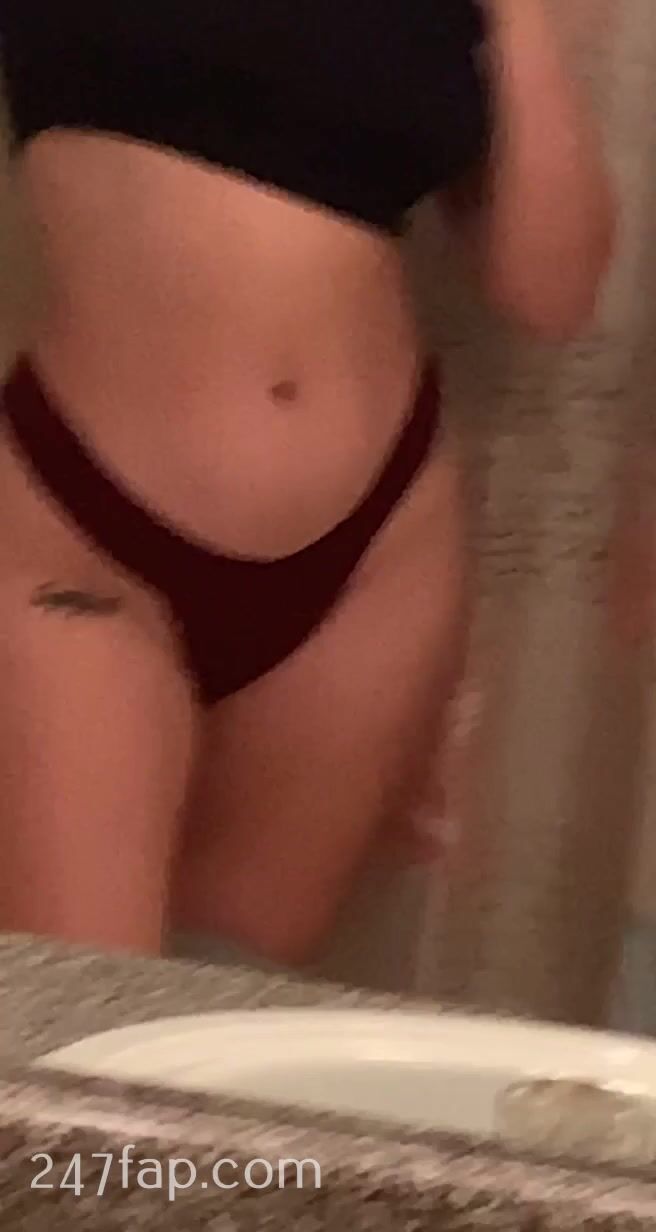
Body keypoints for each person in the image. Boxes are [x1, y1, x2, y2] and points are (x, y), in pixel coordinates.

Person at [0, 0, 615, 960]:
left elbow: (552, 293)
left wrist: (517, 17)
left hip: (371, 560)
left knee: (236, 1005)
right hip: (82, 525)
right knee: (78, 1017)